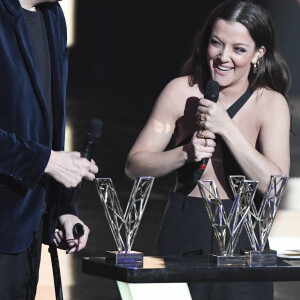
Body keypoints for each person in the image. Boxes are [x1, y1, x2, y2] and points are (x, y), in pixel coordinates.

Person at [125, 0, 290, 299]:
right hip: (186, 224)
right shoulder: (181, 91)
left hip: (243, 234)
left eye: (239, 49)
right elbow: (134, 166)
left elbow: (275, 187)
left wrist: (226, 127)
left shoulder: (270, 104)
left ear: (258, 54)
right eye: (216, 44)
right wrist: (184, 153)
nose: (224, 57)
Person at [0, 0, 98, 298]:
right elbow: (47, 156)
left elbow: (47, 124)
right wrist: (47, 162)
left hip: (26, 226)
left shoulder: (52, 16)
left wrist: (62, 209)